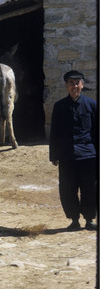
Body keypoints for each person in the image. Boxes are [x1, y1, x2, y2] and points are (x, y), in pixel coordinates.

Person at [49, 70, 98, 231]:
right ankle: (74, 220)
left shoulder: (91, 105)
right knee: (68, 189)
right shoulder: (59, 106)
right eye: (71, 83)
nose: (74, 86)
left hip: (88, 155)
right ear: (66, 85)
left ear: (82, 85)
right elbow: (54, 132)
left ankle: (90, 219)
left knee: (90, 188)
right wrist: (54, 155)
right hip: (67, 155)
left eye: (77, 83)